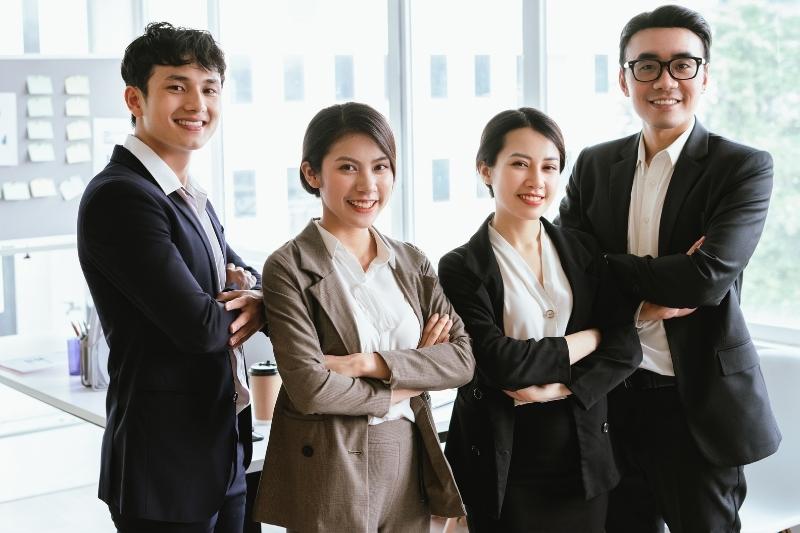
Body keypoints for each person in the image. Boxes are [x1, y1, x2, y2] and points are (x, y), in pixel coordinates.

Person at [557, 5, 781, 532]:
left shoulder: (742, 167)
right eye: (647, 66)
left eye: (683, 65)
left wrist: (606, 267)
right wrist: (646, 286)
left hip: (695, 405)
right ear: (623, 78)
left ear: (705, 77)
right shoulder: (593, 164)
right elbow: (566, 275)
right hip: (610, 399)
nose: (665, 81)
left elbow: (703, 281)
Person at [77, 22, 267, 533]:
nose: (197, 104)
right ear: (134, 98)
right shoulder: (122, 197)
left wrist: (251, 292)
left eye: (209, 89)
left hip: (221, 453)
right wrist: (258, 304)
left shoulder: (186, 193)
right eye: (177, 86)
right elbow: (200, 326)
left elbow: (243, 274)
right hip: (164, 468)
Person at [252, 102, 475, 532]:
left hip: (410, 457)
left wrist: (368, 364)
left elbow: (463, 359)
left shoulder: (411, 260)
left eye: (380, 166)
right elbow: (311, 388)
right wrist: (410, 380)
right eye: (348, 167)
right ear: (312, 174)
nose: (368, 184)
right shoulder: (288, 266)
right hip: (330, 462)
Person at [438, 107, 642, 533]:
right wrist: (589, 338)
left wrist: (566, 385)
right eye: (519, 164)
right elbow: (498, 361)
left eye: (549, 167)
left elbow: (625, 346)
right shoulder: (461, 266)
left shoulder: (583, 250)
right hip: (501, 458)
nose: (537, 181)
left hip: (584, 453)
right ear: (485, 170)